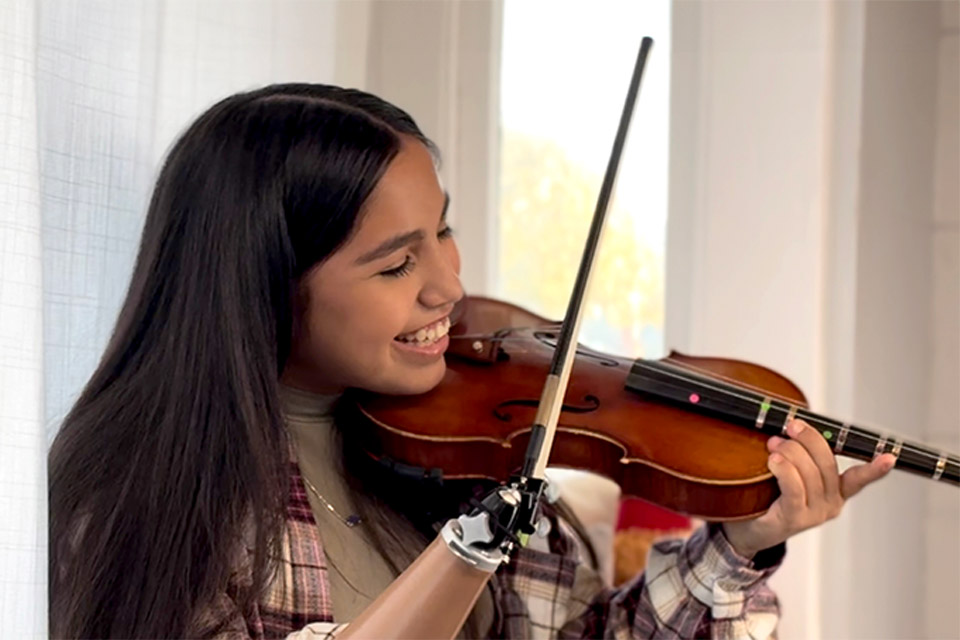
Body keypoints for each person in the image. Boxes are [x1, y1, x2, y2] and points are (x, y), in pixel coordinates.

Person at [48, 84, 895, 640]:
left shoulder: (450, 451)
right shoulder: (149, 500)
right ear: (262, 282)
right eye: (396, 263)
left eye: (443, 231)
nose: (451, 286)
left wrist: (744, 540)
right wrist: (468, 547)